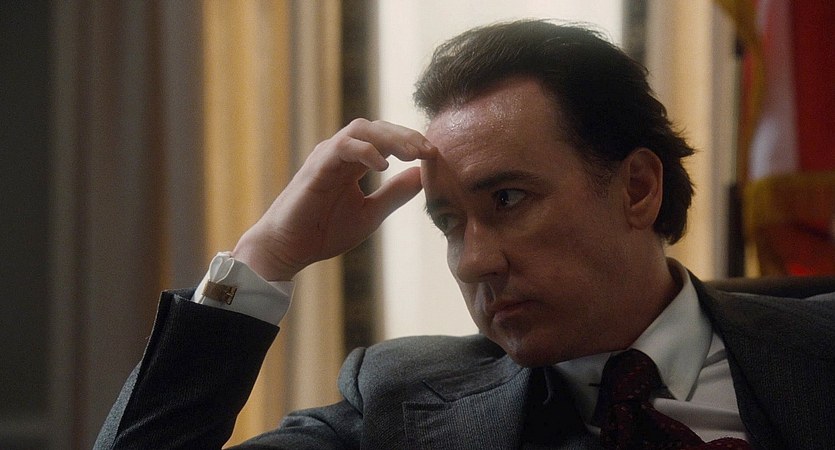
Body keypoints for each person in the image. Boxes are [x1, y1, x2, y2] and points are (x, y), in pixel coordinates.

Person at [95, 20, 835, 449]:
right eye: (449, 221)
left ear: (637, 188)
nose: (475, 260)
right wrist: (266, 257)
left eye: (508, 199)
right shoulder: (401, 401)